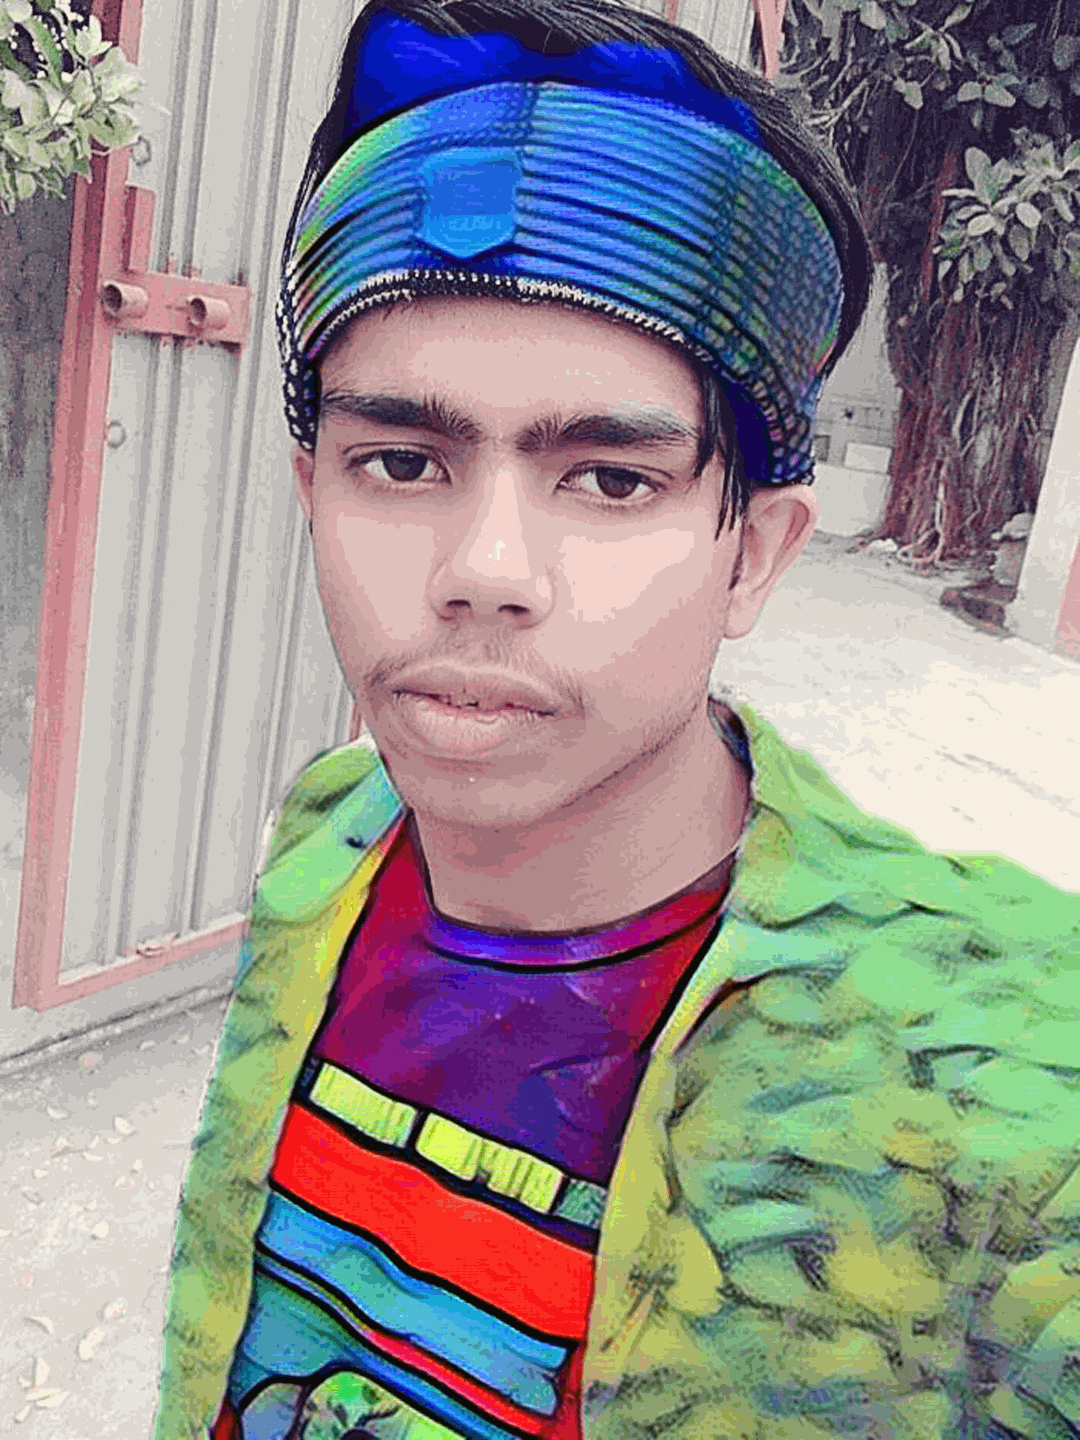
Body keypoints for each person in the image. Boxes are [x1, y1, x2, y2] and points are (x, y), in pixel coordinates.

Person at [153, 2, 1080, 1438]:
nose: (484, 572)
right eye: (401, 462)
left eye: (609, 480)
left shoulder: (1004, 1079)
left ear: (753, 553)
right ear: (311, 492)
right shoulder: (331, 838)